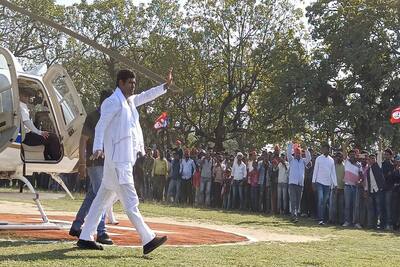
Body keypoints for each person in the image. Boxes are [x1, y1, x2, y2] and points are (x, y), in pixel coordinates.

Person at [77, 69, 172, 254]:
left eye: (134, 83)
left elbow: (146, 95)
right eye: (130, 83)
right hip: (118, 161)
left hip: (121, 161)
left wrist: (165, 87)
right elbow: (101, 124)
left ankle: (85, 236)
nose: (133, 86)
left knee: (101, 200)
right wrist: (97, 147)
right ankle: (148, 239)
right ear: (120, 83)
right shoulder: (112, 102)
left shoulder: (129, 101)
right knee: (131, 201)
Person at [69, 90, 113, 245]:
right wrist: (82, 163)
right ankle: (101, 231)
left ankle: (76, 225)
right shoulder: (93, 116)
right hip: (94, 162)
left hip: (106, 163)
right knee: (102, 194)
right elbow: (83, 141)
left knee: (92, 195)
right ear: (105, 102)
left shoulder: (111, 116)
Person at [19, 87, 60, 160]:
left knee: (47, 138)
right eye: (25, 95)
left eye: (28, 95)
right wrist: (39, 132)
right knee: (53, 138)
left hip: (26, 134)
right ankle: (56, 160)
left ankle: (47, 158)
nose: (27, 97)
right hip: (26, 137)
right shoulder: (21, 105)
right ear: (20, 95)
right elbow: (26, 122)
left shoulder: (23, 105)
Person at [312, 143, 337, 225]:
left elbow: (333, 173)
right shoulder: (319, 158)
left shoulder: (331, 160)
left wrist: (335, 184)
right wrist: (313, 181)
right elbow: (315, 170)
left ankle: (323, 218)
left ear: (328, 150)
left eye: (325, 148)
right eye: (323, 148)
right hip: (319, 182)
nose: (324, 150)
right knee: (320, 199)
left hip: (328, 184)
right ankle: (320, 219)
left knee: (325, 201)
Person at [287, 141, 312, 223]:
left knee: (298, 201)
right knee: (293, 200)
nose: (298, 154)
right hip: (292, 183)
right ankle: (293, 216)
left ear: (301, 154)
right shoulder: (291, 160)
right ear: (294, 154)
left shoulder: (303, 161)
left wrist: (306, 149)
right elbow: (288, 153)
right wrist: (291, 144)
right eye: (297, 153)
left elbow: (309, 158)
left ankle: (295, 215)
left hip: (300, 184)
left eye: (299, 153)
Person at [342, 148, 363, 228]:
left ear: (356, 155)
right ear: (348, 156)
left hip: (355, 187)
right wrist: (346, 144)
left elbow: (361, 176)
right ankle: (347, 221)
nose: (352, 156)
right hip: (347, 186)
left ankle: (356, 222)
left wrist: (359, 181)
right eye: (350, 154)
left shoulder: (359, 164)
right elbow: (344, 152)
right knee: (347, 205)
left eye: (353, 154)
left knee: (356, 205)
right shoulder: (346, 161)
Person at [366, 153, 385, 229]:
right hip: (371, 191)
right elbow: (368, 181)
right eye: (371, 158)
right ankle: (373, 224)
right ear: (369, 160)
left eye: (374, 158)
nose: (372, 159)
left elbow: (380, 154)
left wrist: (380, 143)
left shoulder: (378, 165)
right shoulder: (368, 170)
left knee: (379, 208)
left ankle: (381, 224)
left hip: (378, 191)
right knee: (373, 209)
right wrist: (367, 191)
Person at [329, 151, 345, 225]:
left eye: (340, 156)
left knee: (341, 206)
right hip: (334, 188)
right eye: (337, 156)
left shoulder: (344, 166)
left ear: (342, 158)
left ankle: (341, 221)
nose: (338, 158)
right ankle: (332, 220)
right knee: (333, 206)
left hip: (342, 189)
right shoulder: (333, 166)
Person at [382, 148, 395, 230]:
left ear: (391, 155)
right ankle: (383, 224)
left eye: (387, 154)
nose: (386, 156)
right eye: (385, 154)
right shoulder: (381, 164)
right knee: (382, 206)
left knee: (388, 206)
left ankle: (389, 224)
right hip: (382, 188)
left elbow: (392, 177)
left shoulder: (393, 165)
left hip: (389, 189)